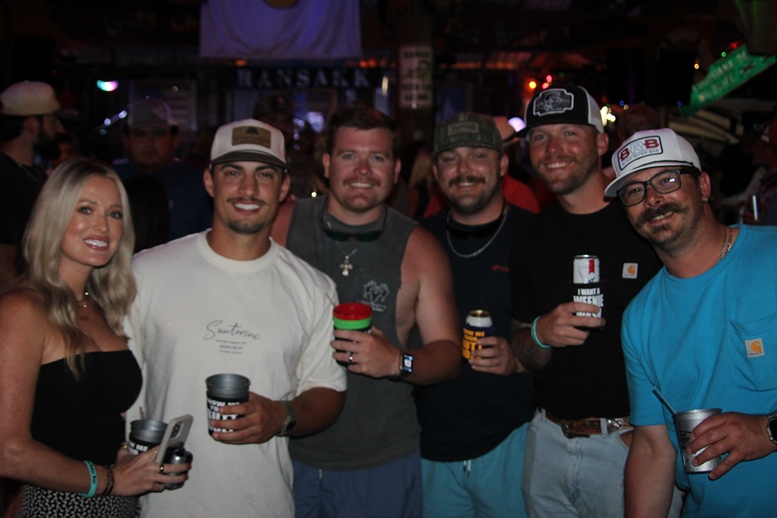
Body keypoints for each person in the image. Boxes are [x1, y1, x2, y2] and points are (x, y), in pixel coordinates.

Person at [125, 119, 346, 517]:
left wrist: (281, 415)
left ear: (284, 187)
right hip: (160, 505)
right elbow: (118, 391)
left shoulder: (314, 289)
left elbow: (328, 391)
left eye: (264, 174)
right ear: (209, 182)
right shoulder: (146, 273)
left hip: (263, 504)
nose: (248, 189)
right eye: (233, 173)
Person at [271, 103, 460, 518]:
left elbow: (448, 353)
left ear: (395, 169)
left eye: (376, 157)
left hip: (380, 461)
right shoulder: (282, 226)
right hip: (283, 451)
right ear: (326, 164)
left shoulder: (419, 248)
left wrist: (397, 361)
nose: (362, 170)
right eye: (348, 155)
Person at [508, 84, 669, 517]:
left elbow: (694, 327)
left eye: (569, 133)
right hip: (547, 441)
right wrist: (540, 333)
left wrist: (658, 432)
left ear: (601, 143)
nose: (553, 149)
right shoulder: (529, 238)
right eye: (540, 137)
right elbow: (522, 349)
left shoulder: (645, 222)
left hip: (631, 445)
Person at [0, 158, 189, 517]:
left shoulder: (100, 306)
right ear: (54, 216)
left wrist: (127, 460)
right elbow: (7, 452)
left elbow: (86, 423)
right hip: (59, 506)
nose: (102, 226)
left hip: (117, 504)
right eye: (85, 209)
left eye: (114, 214)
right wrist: (110, 480)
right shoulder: (22, 309)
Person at [606, 128, 777, 517]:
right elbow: (653, 448)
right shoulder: (639, 319)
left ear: (703, 186)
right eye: (634, 191)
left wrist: (767, 430)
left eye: (666, 180)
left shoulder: (772, 257)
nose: (652, 199)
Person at [415, 112, 535, 517]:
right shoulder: (415, 239)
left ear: (502, 164)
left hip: (513, 442)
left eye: (479, 155)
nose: (464, 169)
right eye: (451, 158)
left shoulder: (536, 237)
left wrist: (522, 356)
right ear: (436, 171)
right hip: (429, 450)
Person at [114, 97, 212, 241]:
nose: (149, 142)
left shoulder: (200, 185)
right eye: (140, 134)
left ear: (175, 139)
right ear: (126, 140)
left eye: (158, 133)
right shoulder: (110, 180)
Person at [0, 80, 64, 291]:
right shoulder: (4, 176)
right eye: (52, 120)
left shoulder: (36, 174)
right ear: (32, 124)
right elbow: (3, 266)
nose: (59, 129)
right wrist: (25, 305)